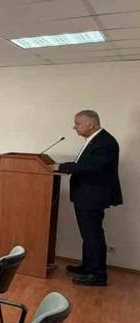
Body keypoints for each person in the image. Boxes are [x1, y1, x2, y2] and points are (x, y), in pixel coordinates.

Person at [51, 110, 122, 287]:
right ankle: (87, 267)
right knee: (88, 234)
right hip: (86, 195)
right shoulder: (95, 140)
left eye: (78, 123)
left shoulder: (105, 142)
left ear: (90, 123)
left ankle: (98, 274)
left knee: (93, 235)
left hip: (93, 196)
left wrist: (60, 166)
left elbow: (91, 167)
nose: (74, 127)